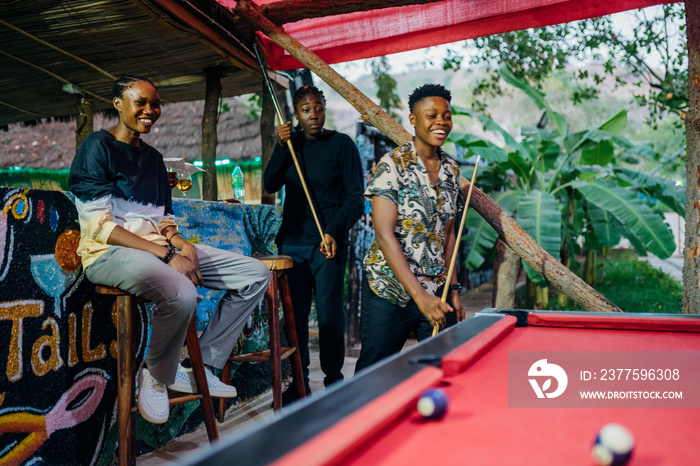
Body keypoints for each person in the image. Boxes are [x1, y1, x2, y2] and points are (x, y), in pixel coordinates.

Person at [68, 74, 270, 424]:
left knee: (255, 273)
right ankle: (157, 374)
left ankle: (201, 363)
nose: (150, 110)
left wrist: (182, 245)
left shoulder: (155, 159)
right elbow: (98, 226)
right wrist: (166, 255)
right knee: (183, 292)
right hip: (107, 253)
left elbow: (163, 219)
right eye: (141, 102)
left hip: (157, 249)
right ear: (118, 104)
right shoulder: (96, 147)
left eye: (155, 104)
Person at [355, 83, 466, 373]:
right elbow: (384, 234)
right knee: (373, 376)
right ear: (413, 120)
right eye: (432, 115)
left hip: (436, 291)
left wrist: (453, 290)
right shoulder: (392, 165)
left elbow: (449, 233)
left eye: (447, 115)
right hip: (390, 289)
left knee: (444, 372)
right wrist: (420, 297)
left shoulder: (452, 171)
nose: (441, 122)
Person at [264, 85, 364, 402]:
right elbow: (269, 184)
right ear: (297, 114)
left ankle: (334, 380)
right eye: (306, 109)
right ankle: (301, 381)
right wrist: (281, 146)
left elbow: (356, 200)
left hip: (327, 242)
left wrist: (334, 231)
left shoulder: (342, 145)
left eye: (318, 107)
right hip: (293, 243)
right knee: (295, 316)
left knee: (329, 313)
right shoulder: (290, 145)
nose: (314, 114)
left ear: (324, 108)